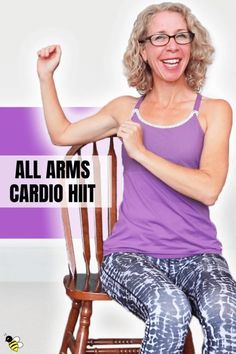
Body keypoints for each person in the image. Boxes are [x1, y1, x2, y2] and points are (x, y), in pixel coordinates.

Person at [37, 2, 236, 353]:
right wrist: (45, 76)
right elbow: (62, 133)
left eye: (180, 36)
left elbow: (208, 189)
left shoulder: (214, 111)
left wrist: (142, 152)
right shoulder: (125, 109)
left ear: (193, 45)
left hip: (198, 254)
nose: (171, 46)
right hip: (131, 255)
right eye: (159, 37)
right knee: (171, 309)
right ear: (143, 50)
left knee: (227, 314)